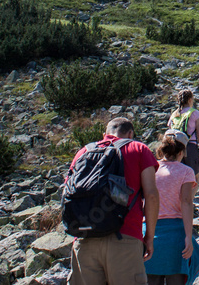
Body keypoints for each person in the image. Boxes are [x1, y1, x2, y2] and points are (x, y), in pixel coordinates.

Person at [68, 117, 160, 285]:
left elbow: (69, 192)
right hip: (125, 238)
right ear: (130, 133)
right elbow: (152, 196)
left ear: (105, 134)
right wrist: (149, 237)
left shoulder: (83, 152)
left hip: (85, 238)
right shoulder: (139, 149)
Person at [144, 129, 199, 285]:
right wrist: (188, 236)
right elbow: (186, 202)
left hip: (149, 233)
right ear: (182, 152)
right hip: (175, 236)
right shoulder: (186, 172)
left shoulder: (149, 170)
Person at [169, 90, 199, 182]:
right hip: (190, 147)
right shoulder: (194, 113)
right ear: (190, 100)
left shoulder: (174, 114)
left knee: (178, 177)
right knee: (194, 177)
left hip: (176, 147)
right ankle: (191, 196)